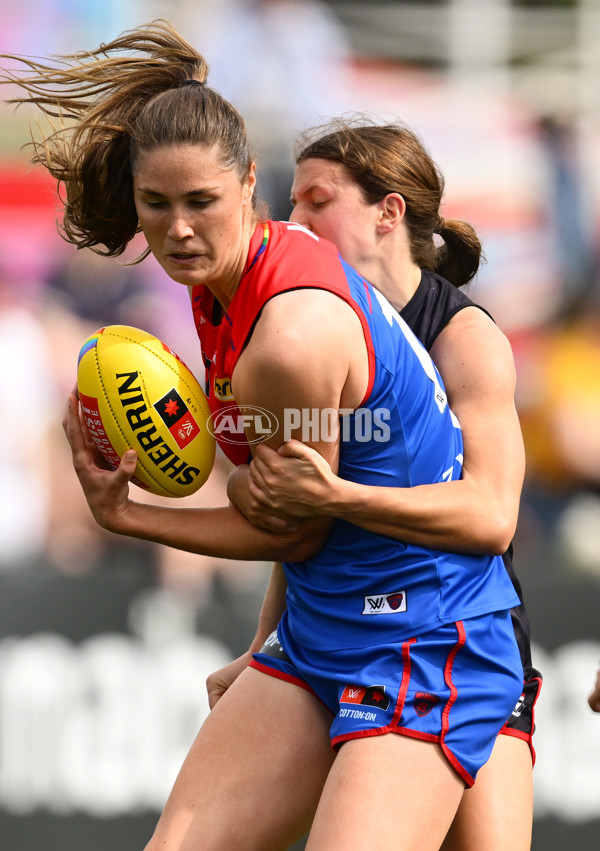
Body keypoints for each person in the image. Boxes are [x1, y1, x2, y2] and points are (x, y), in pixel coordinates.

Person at [3, 22, 524, 850]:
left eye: (201, 202)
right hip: (323, 631)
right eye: (157, 204)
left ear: (248, 183)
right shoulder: (222, 288)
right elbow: (297, 518)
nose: (177, 230)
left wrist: (129, 515)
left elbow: (297, 522)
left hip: (425, 640)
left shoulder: (289, 336)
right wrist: (263, 643)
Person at [213, 119, 541, 850]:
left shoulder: (466, 339)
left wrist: (336, 496)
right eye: (288, 202)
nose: (293, 221)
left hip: (461, 641)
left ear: (388, 212)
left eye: (316, 201)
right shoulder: (318, 325)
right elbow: (304, 520)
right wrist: (265, 646)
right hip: (342, 636)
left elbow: (492, 516)